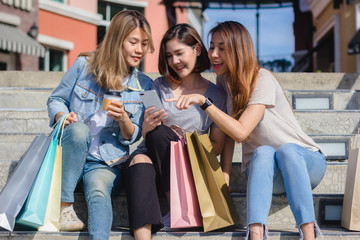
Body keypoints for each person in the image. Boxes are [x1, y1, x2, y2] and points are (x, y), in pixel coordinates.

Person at [167, 21, 327, 240]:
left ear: (238, 49)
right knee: (262, 152)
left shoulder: (263, 80)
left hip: (305, 164)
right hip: (266, 171)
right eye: (212, 46)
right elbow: (229, 129)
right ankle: (255, 233)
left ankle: (309, 233)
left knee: (287, 150)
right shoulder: (224, 81)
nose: (213, 54)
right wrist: (225, 174)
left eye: (222, 48)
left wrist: (204, 102)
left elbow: (241, 131)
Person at [46, 10, 154, 240]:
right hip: (71, 152)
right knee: (78, 130)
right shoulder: (83, 65)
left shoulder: (146, 85)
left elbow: (135, 135)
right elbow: (56, 100)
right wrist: (62, 117)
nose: (140, 50)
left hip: (107, 162)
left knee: (98, 190)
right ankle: (65, 207)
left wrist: (124, 119)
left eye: (144, 43)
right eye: (133, 42)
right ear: (116, 40)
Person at [125, 23, 227, 240]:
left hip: (189, 160)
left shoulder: (216, 95)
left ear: (197, 49)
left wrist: (184, 139)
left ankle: (180, 208)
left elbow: (217, 146)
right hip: (154, 152)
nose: (174, 61)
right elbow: (147, 134)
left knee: (162, 135)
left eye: (179, 53)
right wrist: (147, 126)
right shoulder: (158, 86)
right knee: (140, 160)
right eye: (169, 55)